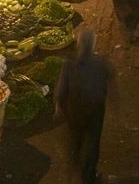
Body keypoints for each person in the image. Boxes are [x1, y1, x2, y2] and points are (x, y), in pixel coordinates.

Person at [55, 27, 111, 184]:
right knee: (93, 143)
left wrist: (59, 107)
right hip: (95, 110)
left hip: (75, 111)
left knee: (75, 140)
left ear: (79, 45)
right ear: (93, 46)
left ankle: (75, 171)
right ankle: (88, 176)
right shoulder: (101, 64)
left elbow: (61, 88)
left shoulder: (69, 64)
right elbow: (108, 84)